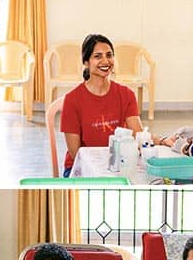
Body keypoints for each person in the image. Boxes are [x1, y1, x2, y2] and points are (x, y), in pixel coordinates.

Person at [60, 34, 143, 176]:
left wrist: (163, 141)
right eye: (98, 56)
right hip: (81, 166)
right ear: (86, 62)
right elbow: (76, 153)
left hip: (117, 164)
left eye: (109, 55)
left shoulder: (126, 94)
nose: (106, 61)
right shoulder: (72, 100)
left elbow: (139, 135)